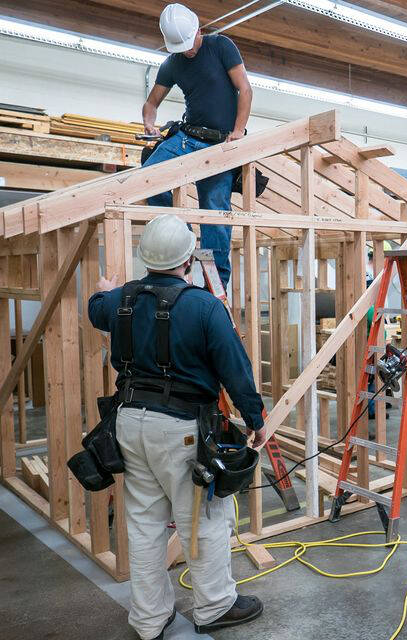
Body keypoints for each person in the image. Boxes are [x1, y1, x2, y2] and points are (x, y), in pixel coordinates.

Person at [88, 214, 266, 639]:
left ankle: (149, 621)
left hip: (128, 424)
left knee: (145, 522)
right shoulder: (204, 306)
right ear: (189, 258)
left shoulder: (121, 301)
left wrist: (104, 289)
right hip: (181, 428)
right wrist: (254, 419)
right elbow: (235, 370)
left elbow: (97, 308)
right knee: (201, 518)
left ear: (145, 257)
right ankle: (215, 607)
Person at [142, 3, 253, 289]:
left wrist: (238, 131)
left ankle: (216, 284)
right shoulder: (173, 63)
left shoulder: (221, 46)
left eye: (189, 45)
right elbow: (151, 103)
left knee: (214, 209)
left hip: (220, 142)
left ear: (199, 30)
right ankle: (185, 239)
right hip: (187, 137)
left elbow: (245, 88)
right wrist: (149, 123)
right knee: (148, 178)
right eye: (180, 47)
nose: (187, 51)